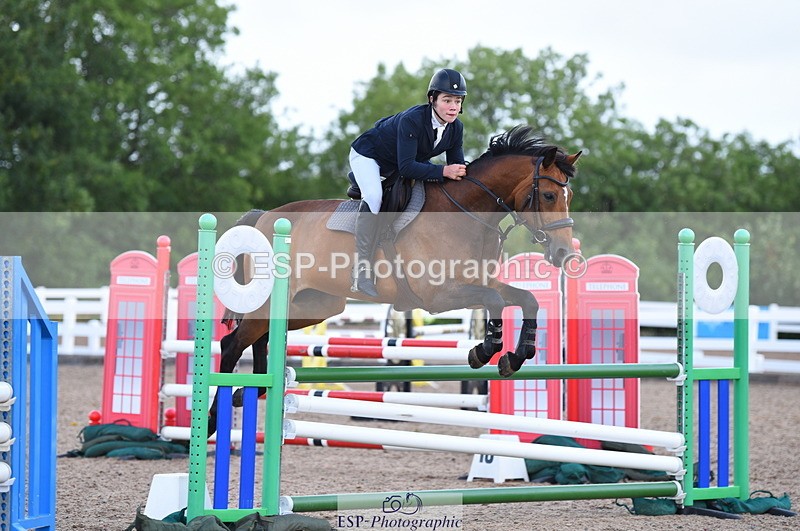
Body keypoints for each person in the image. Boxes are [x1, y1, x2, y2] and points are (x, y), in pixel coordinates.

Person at [348, 68, 469, 296]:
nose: (453, 106)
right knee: (374, 196)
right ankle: (361, 272)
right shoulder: (413, 120)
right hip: (369, 155)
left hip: (398, 162)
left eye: (458, 100)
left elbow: (457, 170)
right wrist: (444, 170)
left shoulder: (456, 128)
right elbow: (408, 167)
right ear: (432, 99)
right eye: (447, 100)